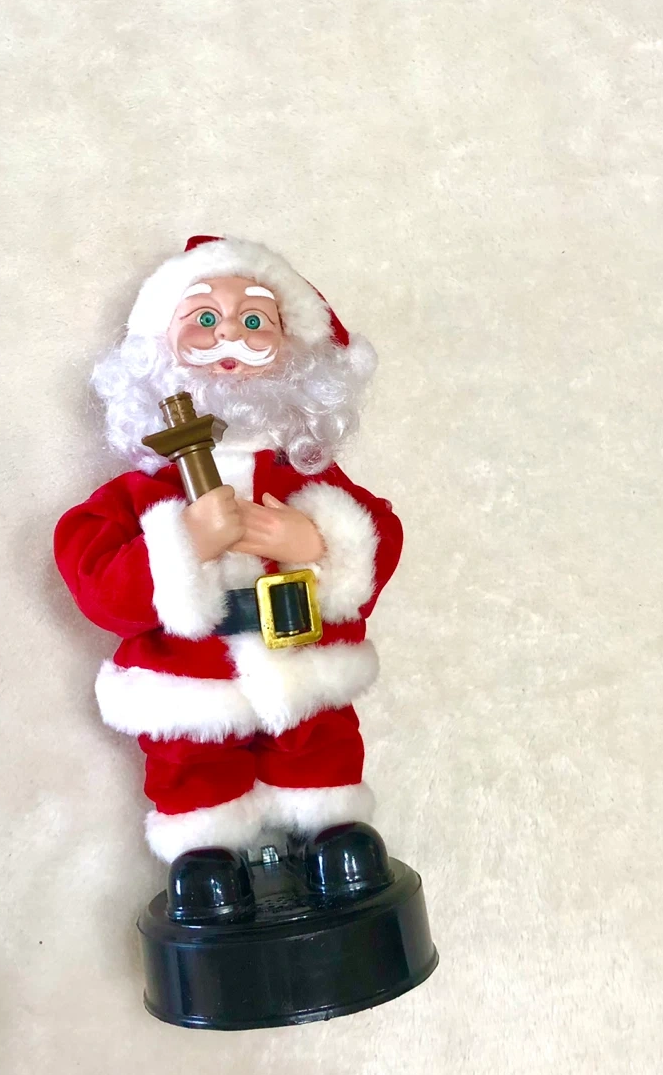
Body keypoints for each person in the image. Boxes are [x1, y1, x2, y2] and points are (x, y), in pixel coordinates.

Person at [54, 235, 403, 867]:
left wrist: (317, 541)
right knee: (192, 766)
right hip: (192, 683)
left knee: (320, 745)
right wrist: (183, 544)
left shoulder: (308, 481)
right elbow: (95, 577)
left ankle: (329, 833)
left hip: (305, 664)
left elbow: (381, 533)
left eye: (255, 320)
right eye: (204, 317)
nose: (229, 337)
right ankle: (206, 855)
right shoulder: (142, 493)